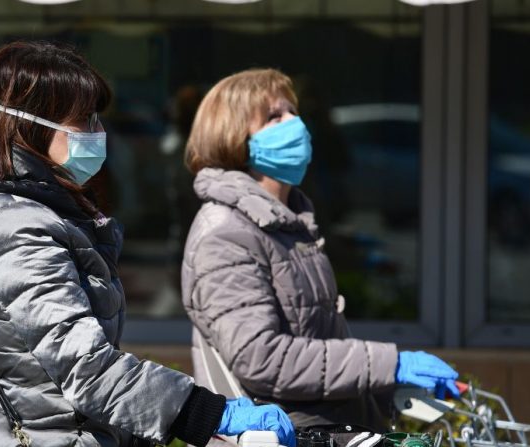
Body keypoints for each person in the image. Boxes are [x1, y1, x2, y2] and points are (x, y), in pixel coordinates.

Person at [0, 41, 296, 447]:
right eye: (84, 120)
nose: (98, 133)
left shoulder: (47, 212)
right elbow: (85, 368)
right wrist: (208, 413)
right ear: (33, 126)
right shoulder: (16, 227)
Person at [180, 68, 460, 431]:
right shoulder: (226, 233)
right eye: (274, 116)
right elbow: (261, 358)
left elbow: (319, 355)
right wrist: (388, 363)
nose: (294, 123)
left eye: (293, 112)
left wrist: (386, 386)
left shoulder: (288, 224)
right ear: (231, 135)